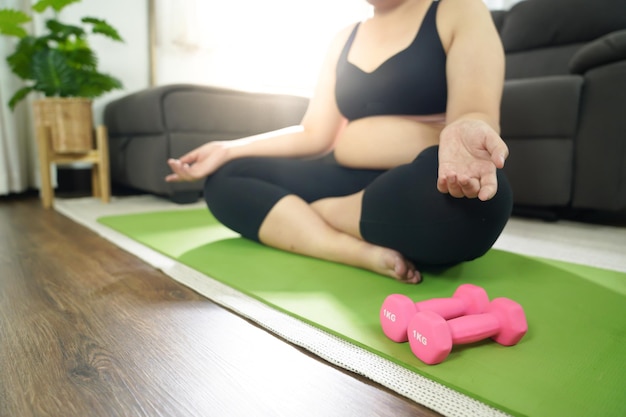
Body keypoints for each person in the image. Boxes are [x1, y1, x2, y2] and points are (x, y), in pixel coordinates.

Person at [166, 0, 513, 285]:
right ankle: (350, 249)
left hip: (414, 182)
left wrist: (462, 130)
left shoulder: (458, 9)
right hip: (345, 177)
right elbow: (314, 134)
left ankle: (304, 218)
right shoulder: (344, 38)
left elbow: (475, 110)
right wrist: (229, 149)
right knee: (226, 179)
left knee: (477, 206)